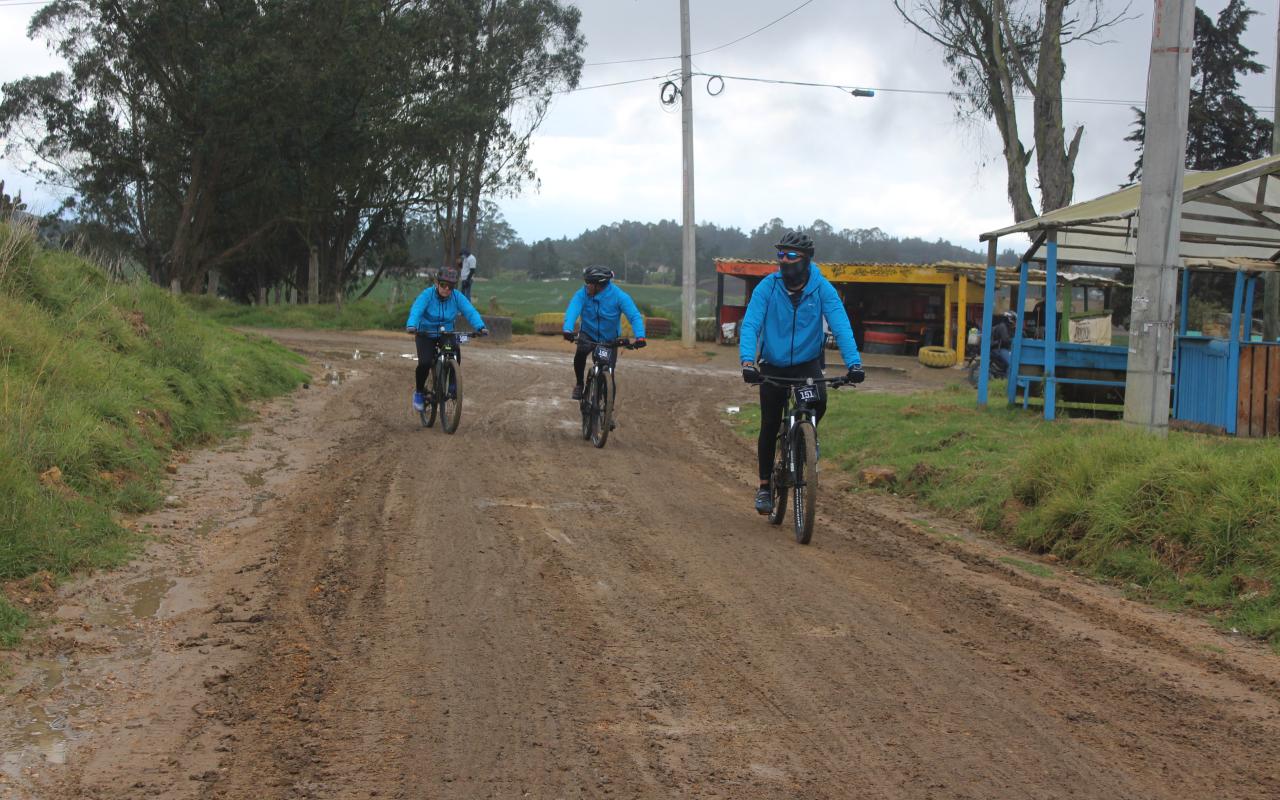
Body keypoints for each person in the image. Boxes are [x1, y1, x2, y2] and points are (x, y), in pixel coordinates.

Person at [739, 230, 864, 515]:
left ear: (806, 260)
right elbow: (750, 326)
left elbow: (841, 325)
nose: (784, 261)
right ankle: (763, 487)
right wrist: (748, 362)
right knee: (769, 423)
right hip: (772, 363)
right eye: (780, 255)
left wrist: (854, 364)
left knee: (818, 401)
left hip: (806, 364)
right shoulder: (767, 288)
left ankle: (806, 441)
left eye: (791, 256)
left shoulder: (822, 289)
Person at [405, 264, 487, 412]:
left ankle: (453, 384)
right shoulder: (427, 295)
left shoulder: (457, 297)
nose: (447, 289)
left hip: (446, 333)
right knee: (424, 363)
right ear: (437, 283)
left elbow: (470, 311)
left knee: (455, 348)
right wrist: (412, 325)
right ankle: (418, 392)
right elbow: (416, 309)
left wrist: (480, 326)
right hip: (425, 333)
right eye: (443, 285)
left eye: (451, 286)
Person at [561, 266, 647, 399]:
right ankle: (579, 384)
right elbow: (573, 310)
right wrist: (568, 329)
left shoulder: (619, 296)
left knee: (609, 375)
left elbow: (634, 316)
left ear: (599, 285)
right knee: (580, 354)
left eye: (589, 283)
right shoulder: (582, 294)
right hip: (588, 334)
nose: (586, 286)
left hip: (609, 339)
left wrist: (640, 337)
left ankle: (607, 414)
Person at [991, 309, 1015, 374]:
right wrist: (1014, 340)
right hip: (998, 349)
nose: (1014, 321)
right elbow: (1005, 339)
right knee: (1012, 363)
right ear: (1009, 318)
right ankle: (1008, 381)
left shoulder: (1006, 326)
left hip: (1000, 348)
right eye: (1013, 319)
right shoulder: (1003, 326)